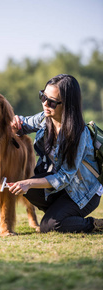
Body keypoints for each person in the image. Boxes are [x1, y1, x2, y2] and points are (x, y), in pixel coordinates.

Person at [8, 74, 103, 233]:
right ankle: (59, 214)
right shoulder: (46, 118)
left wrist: (29, 183)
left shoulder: (78, 135)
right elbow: (24, 124)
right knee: (29, 189)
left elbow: (64, 177)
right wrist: (14, 121)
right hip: (63, 189)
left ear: (67, 104)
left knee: (49, 226)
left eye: (51, 102)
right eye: (43, 96)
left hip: (83, 192)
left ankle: (93, 224)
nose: (45, 104)